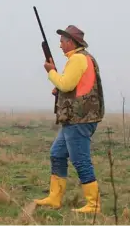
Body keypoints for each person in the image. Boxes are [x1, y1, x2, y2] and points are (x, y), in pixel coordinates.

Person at [34, 25, 105, 213]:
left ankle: (93, 204)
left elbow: (66, 84)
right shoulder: (84, 58)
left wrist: (50, 71)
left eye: (62, 42)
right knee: (57, 154)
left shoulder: (78, 59)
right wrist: (59, 87)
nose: (60, 46)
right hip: (76, 118)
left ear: (71, 42)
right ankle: (54, 198)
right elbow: (74, 86)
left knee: (80, 159)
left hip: (79, 119)